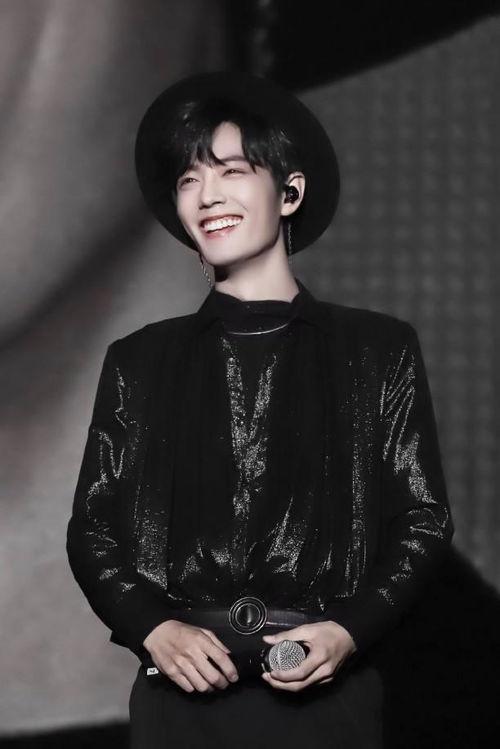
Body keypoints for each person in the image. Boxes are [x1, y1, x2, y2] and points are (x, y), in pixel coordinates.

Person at [66, 71, 454, 748]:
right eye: (188, 179)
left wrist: (350, 629)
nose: (207, 195)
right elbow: (93, 526)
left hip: (324, 690)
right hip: (181, 696)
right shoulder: (139, 360)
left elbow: (422, 518)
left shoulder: (377, 350)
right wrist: (153, 627)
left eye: (232, 170)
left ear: (290, 191)